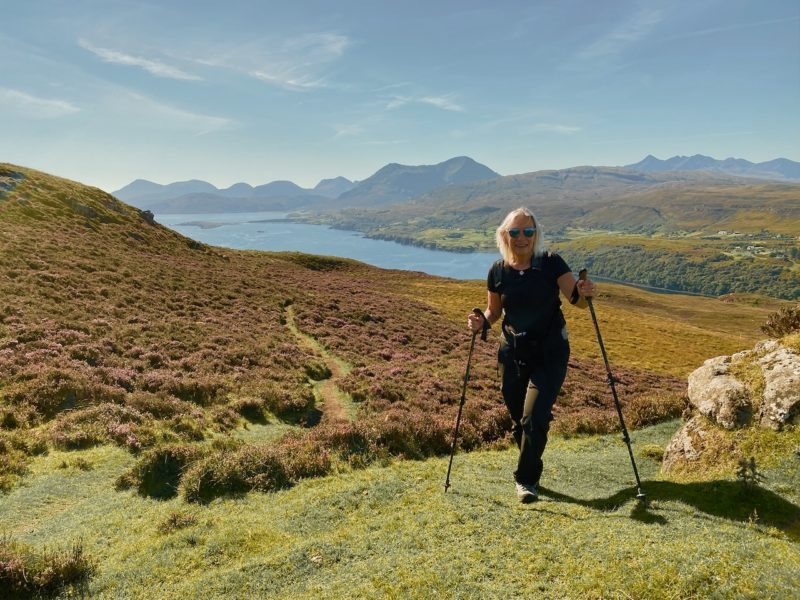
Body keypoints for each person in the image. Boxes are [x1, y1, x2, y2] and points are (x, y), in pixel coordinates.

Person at [467, 207, 595, 503]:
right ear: (504, 236)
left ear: (535, 235)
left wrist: (587, 292)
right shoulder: (497, 271)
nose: (521, 237)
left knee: (534, 417)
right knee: (518, 420)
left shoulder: (550, 263)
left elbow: (576, 300)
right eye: (514, 232)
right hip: (512, 352)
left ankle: (525, 480)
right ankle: (532, 466)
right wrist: (480, 322)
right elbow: (495, 310)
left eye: (528, 232)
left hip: (550, 352)